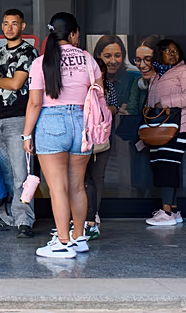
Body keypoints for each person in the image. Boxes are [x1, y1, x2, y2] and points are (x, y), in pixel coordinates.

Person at [24, 12, 101, 259]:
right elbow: (98, 95)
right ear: (74, 33)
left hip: (51, 122)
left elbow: (35, 104)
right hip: (82, 122)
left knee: (58, 188)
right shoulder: (88, 59)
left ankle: (62, 242)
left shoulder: (41, 62)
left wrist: (27, 135)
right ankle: (79, 238)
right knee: (78, 186)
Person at [0, 9, 39, 238]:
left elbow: (16, 84)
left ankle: (25, 220)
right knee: (4, 173)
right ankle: (10, 217)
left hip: (18, 120)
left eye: (14, 23)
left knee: (21, 174)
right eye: (6, 23)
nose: (9, 27)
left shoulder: (28, 52)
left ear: (22, 26)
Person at [143, 39, 186, 226]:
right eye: (168, 51)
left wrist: (165, 102)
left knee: (167, 165)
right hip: (159, 128)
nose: (172, 54)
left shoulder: (185, 71)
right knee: (162, 165)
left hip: (180, 126)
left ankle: (166, 212)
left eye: (175, 51)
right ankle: (173, 211)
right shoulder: (156, 75)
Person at [83, 58, 118, 240]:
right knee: (83, 177)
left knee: (97, 176)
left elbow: (115, 107)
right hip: (84, 136)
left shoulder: (106, 87)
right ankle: (85, 214)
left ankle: (93, 212)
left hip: (101, 135)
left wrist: (101, 109)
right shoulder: (81, 86)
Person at [94, 35, 133, 111]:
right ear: (98, 56)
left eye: (117, 56)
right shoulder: (90, 80)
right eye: (107, 56)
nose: (113, 61)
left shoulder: (130, 81)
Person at [122, 37, 158, 115]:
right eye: (138, 60)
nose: (141, 65)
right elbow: (132, 110)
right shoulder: (138, 83)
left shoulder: (169, 84)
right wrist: (125, 113)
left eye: (148, 59)